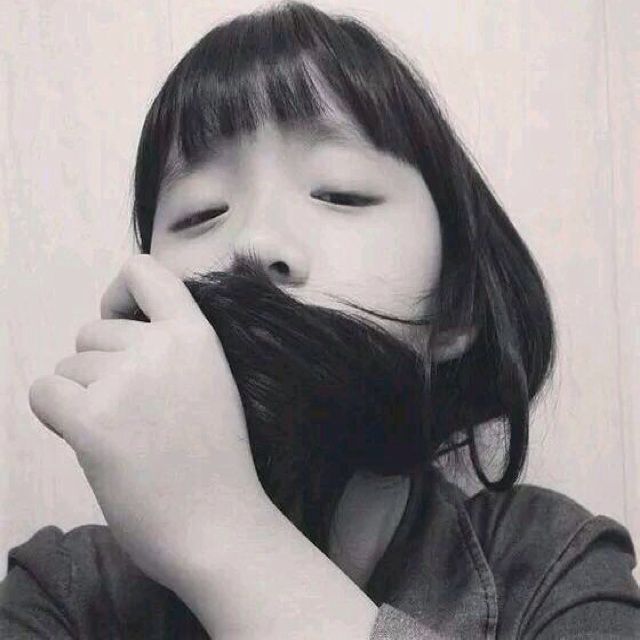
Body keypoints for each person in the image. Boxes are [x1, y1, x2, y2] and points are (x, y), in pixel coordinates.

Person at [2, 2, 639, 638]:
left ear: (454, 308)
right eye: (201, 213)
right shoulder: (65, 592)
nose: (255, 242)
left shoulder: (556, 565)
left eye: (340, 194)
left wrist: (225, 536)